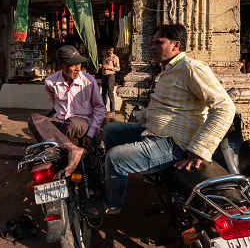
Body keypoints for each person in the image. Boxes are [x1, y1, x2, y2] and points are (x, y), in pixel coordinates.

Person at [84, 24, 236, 217]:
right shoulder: (168, 70)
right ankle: (115, 181)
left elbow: (224, 107)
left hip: (173, 144)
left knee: (115, 157)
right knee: (111, 130)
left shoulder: (191, 68)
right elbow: (164, 106)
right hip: (155, 132)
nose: (152, 47)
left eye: (159, 42)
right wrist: (138, 116)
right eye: (153, 42)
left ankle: (112, 204)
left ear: (176, 45)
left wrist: (199, 149)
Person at [28, 45, 106, 176]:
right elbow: (54, 102)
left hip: (81, 124)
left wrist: (90, 134)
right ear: (60, 66)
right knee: (34, 119)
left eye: (79, 64)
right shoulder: (50, 82)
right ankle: (72, 148)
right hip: (62, 122)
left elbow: (99, 108)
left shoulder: (89, 81)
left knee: (73, 124)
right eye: (72, 64)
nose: (78, 68)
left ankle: (56, 145)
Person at [101, 46, 120, 116]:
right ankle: (103, 109)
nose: (110, 52)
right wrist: (102, 66)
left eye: (111, 50)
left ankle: (112, 110)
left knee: (110, 93)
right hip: (104, 76)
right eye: (109, 50)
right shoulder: (104, 57)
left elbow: (118, 68)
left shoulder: (115, 57)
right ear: (107, 50)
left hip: (111, 76)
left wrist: (108, 67)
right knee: (104, 93)